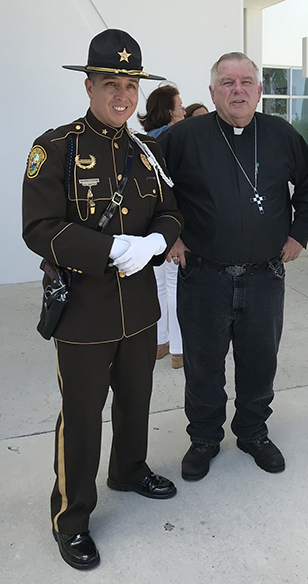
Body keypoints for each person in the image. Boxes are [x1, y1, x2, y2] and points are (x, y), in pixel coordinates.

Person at [22, 29, 183, 570]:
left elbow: (171, 209)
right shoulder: (56, 147)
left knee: (136, 400)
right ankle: (71, 517)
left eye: (131, 84)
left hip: (139, 307)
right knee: (83, 416)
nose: (123, 95)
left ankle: (130, 469)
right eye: (111, 83)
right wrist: (109, 246)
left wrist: (158, 240)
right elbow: (39, 228)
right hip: (84, 312)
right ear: (89, 86)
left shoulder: (148, 149)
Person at [158, 52, 308, 481]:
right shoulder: (184, 137)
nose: (237, 90)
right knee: (203, 364)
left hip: (264, 276)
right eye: (227, 83)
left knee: (259, 362)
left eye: (246, 82)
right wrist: (169, 235)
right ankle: (205, 438)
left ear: (259, 90)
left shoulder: (280, 134)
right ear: (212, 91)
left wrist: (299, 234)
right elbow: (152, 188)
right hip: (203, 275)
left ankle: (252, 431)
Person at [138, 84, 185, 367]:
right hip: (172, 222)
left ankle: (160, 343)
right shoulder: (176, 139)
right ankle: (179, 350)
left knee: (158, 285)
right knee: (175, 286)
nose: (182, 109)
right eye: (179, 105)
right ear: (169, 110)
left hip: (147, 223)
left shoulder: (143, 140)